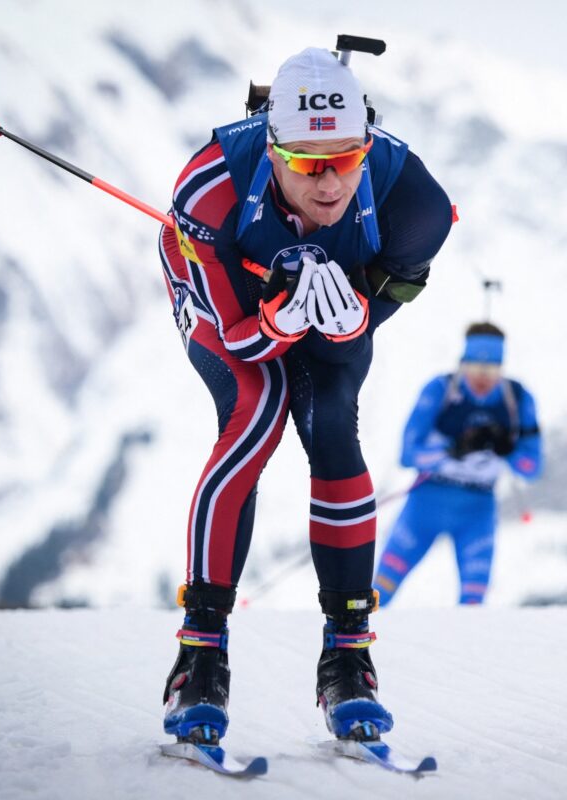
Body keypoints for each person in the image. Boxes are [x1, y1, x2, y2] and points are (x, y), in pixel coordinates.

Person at [155, 46, 453, 747]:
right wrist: (274, 323)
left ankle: (348, 658)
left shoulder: (416, 204)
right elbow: (236, 339)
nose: (330, 182)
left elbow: (382, 304)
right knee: (254, 414)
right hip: (228, 298)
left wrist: (352, 321)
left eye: (346, 159)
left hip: (331, 300)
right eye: (308, 163)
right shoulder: (210, 190)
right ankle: (199, 655)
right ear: (272, 148)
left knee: (333, 426)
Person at [373, 322, 542, 606]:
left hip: (477, 510)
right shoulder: (440, 390)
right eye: (473, 366)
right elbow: (407, 454)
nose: (482, 377)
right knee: (379, 592)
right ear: (462, 362)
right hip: (425, 504)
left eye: (491, 369)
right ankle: (350, 634)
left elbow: (532, 468)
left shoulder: (518, 399)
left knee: (473, 603)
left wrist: (507, 449)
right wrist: (453, 450)